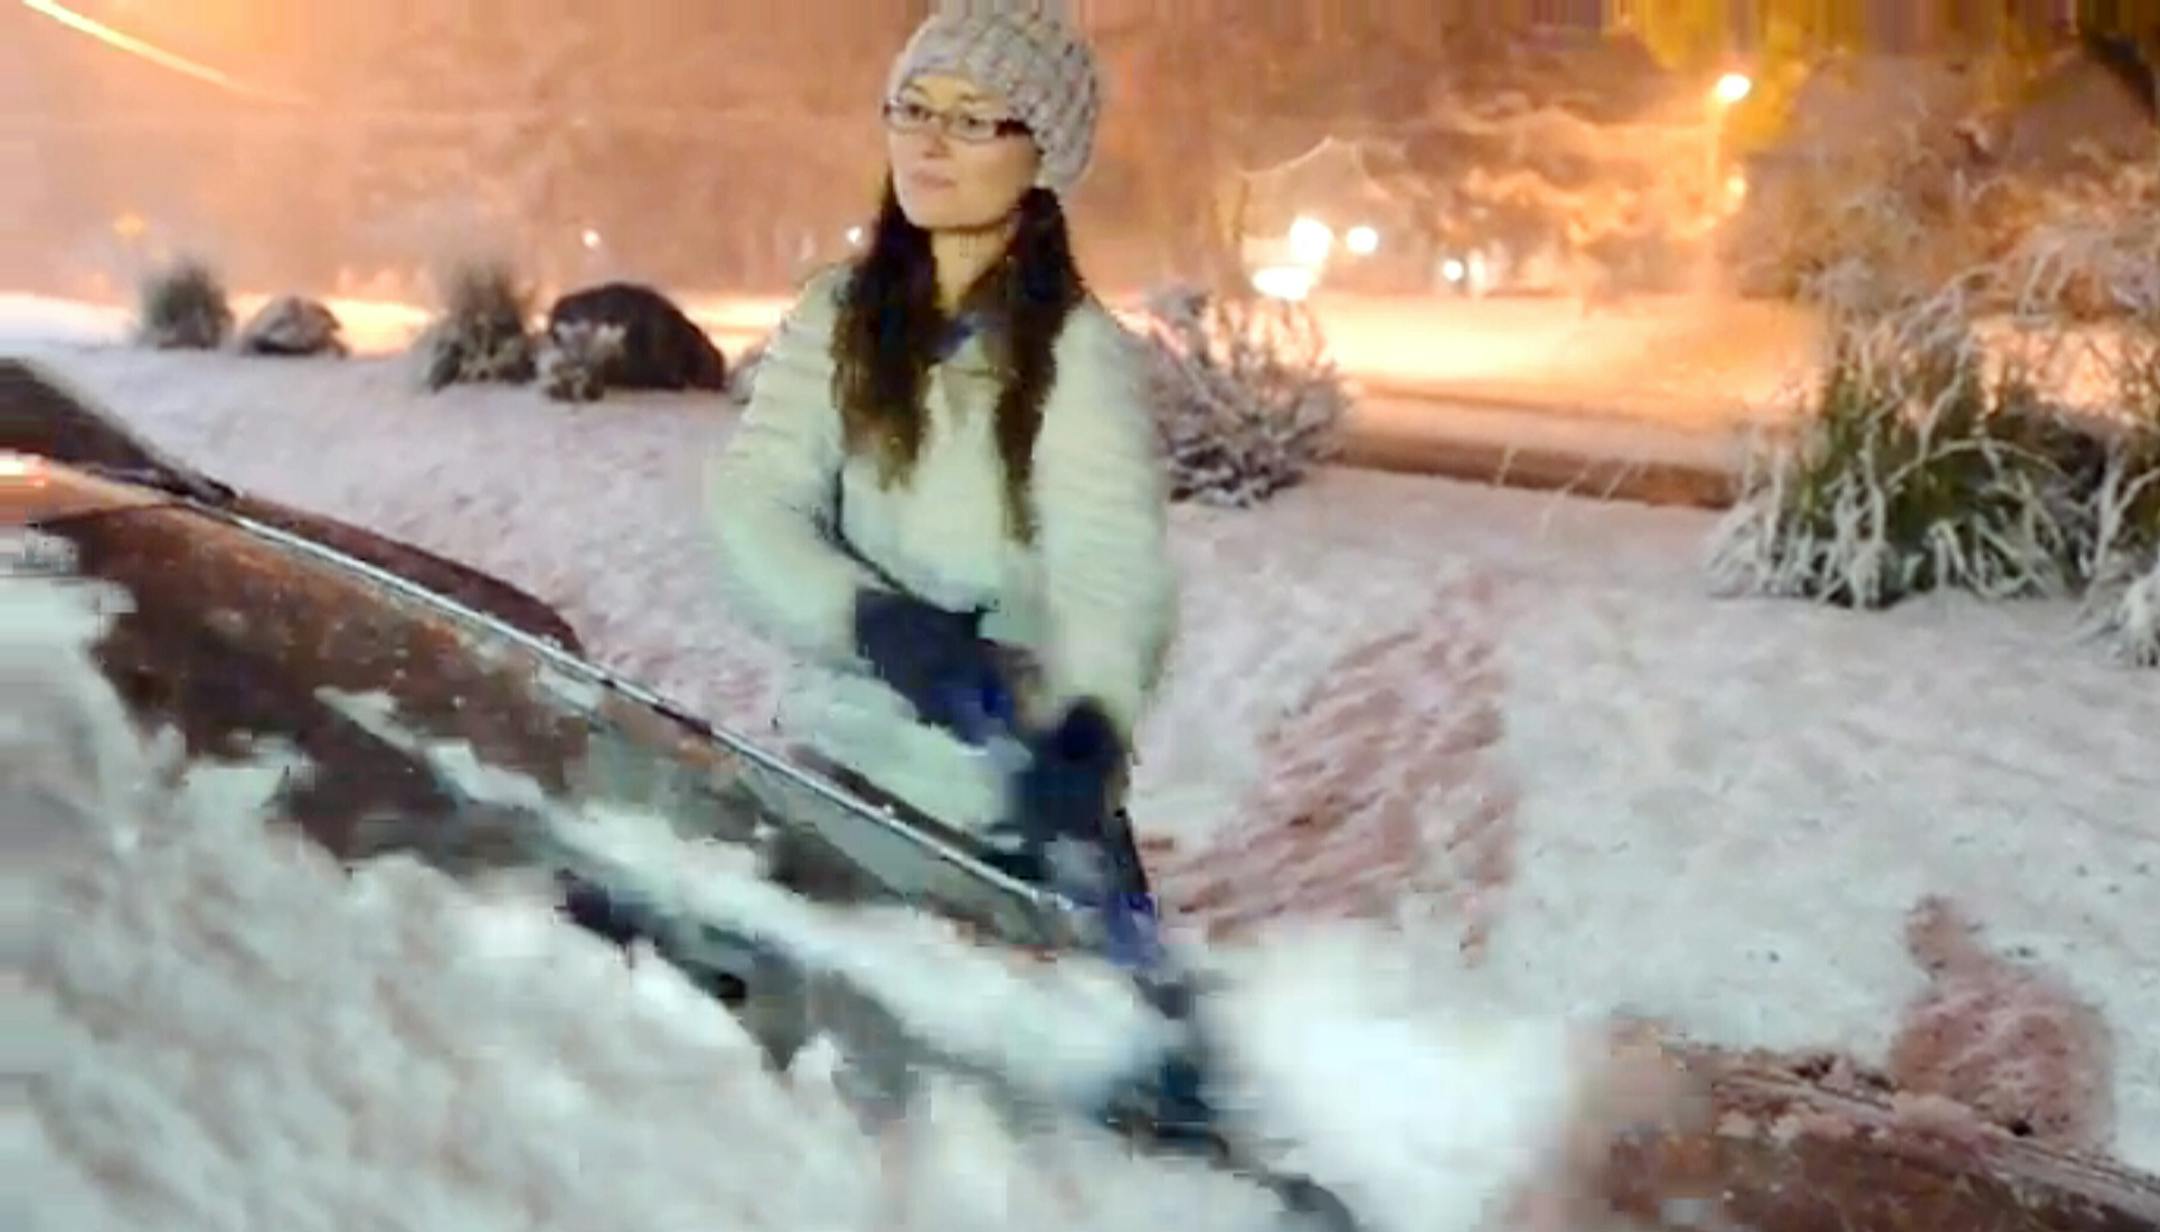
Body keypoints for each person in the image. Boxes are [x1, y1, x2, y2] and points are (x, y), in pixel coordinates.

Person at [706, 3, 1177, 894]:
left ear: (1043, 155)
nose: (929, 143)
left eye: (970, 120)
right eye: (913, 108)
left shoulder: (1075, 356)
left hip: (998, 805)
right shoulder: (837, 317)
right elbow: (756, 500)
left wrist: (1087, 722)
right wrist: (868, 620)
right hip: (836, 763)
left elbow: (1109, 567)